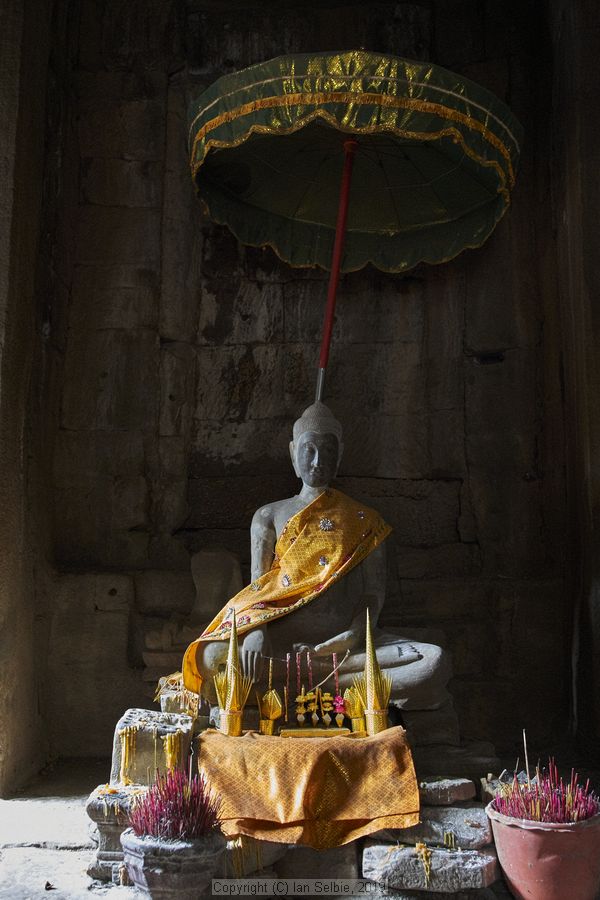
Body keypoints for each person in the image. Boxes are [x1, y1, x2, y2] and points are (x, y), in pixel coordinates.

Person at [183, 402, 450, 710]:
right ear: (293, 454)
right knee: (212, 659)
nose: (318, 460)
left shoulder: (366, 521)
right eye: (309, 450)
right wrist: (256, 631)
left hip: (345, 647)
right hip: (278, 644)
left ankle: (294, 686)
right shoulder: (268, 516)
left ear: (340, 456)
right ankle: (341, 687)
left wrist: (351, 637)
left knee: (433, 661)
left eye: (328, 450)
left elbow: (372, 596)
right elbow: (258, 587)